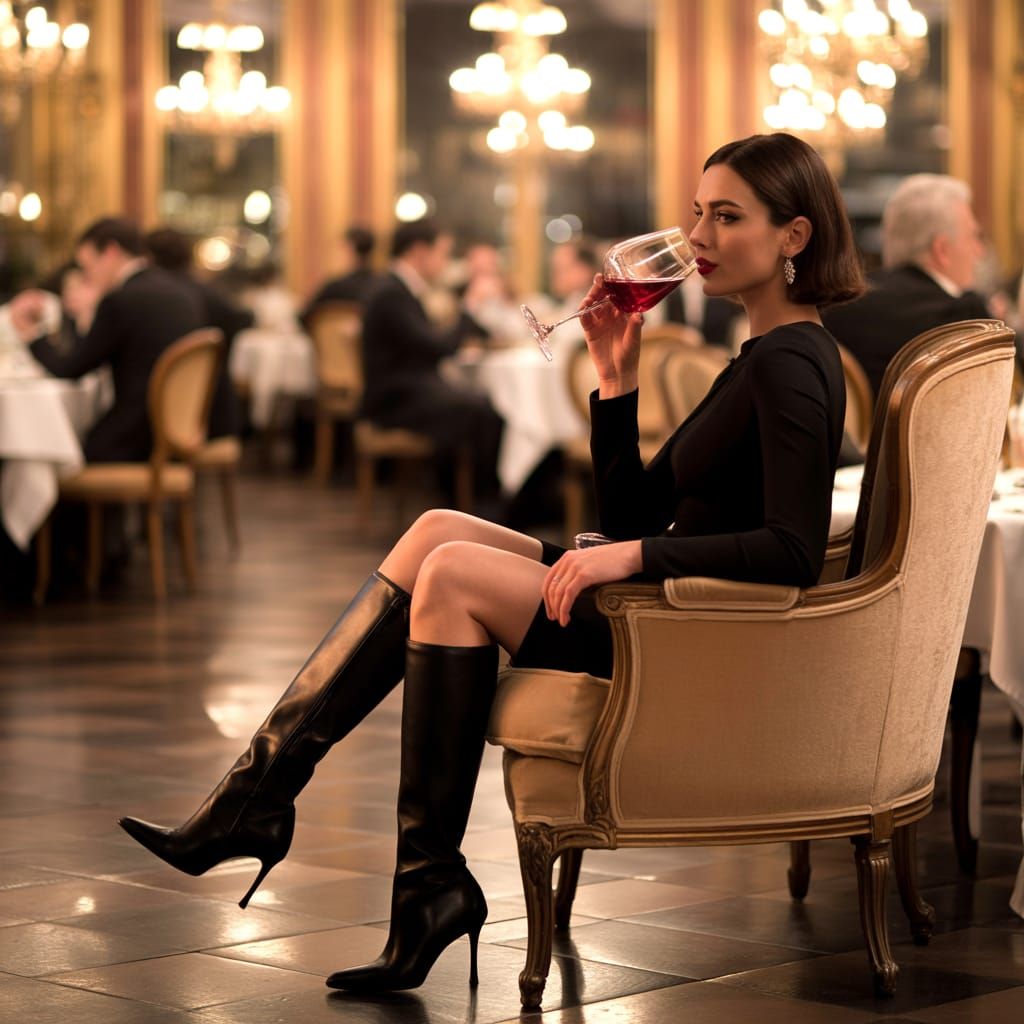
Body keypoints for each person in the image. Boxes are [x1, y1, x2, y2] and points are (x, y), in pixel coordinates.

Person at [118, 132, 863, 994]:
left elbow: (793, 553)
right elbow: (632, 509)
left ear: (794, 238)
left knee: (455, 578)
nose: (697, 236)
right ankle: (263, 795)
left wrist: (629, 557)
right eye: (698, 211)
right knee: (437, 529)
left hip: (689, 634)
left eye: (727, 217)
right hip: (665, 603)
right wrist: (615, 378)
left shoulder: (793, 364)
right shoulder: (758, 356)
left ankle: (417, 877)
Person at [17, 217, 205, 462]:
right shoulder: (180, 292)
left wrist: (31, 335)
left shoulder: (121, 300)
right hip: (178, 432)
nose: (88, 277)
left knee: (55, 454)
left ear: (111, 252)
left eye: (87, 267)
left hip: (134, 440)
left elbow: (69, 368)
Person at [358, 217, 504, 508]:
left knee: (482, 404)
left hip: (404, 391)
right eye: (443, 254)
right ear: (419, 252)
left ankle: (466, 501)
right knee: (482, 410)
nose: (445, 263)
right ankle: (480, 506)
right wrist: (470, 305)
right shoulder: (390, 292)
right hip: (392, 400)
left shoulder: (396, 288)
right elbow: (436, 348)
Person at [822, 173, 990, 398]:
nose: (980, 251)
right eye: (973, 237)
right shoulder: (964, 316)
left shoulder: (839, 305)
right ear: (942, 250)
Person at [145, 226, 254, 438]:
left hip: (175, 413)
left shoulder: (157, 297)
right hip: (216, 407)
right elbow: (244, 319)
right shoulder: (202, 291)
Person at [299, 226, 381, 327]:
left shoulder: (335, 288)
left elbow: (303, 318)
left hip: (330, 342)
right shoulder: (381, 286)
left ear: (350, 249)